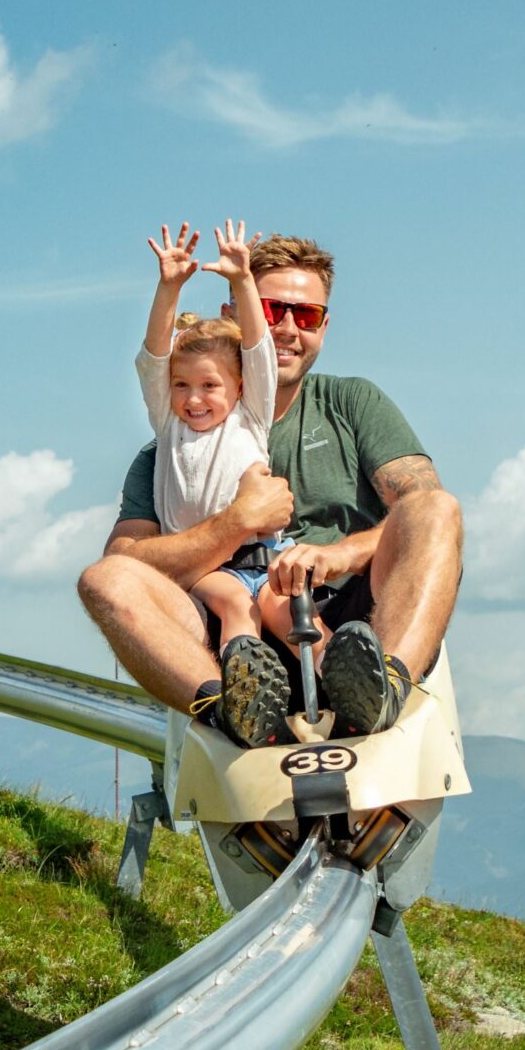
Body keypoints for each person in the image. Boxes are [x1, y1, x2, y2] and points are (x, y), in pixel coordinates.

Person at [79, 232, 463, 743]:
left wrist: (337, 555)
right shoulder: (165, 449)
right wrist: (235, 523)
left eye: (305, 316)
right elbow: (124, 562)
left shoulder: (352, 404)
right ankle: (229, 708)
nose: (286, 329)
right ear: (236, 313)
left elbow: (422, 515)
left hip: (353, 622)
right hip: (219, 635)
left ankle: (382, 687)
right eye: (270, 309)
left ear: (324, 327)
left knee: (437, 507)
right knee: (103, 579)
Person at [134, 219, 301, 747]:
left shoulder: (250, 419)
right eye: (182, 386)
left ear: (239, 386)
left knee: (293, 613)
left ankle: (339, 688)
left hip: (266, 554)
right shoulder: (169, 425)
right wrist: (169, 287)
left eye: (210, 385)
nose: (194, 398)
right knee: (235, 604)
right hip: (205, 565)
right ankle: (248, 704)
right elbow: (154, 355)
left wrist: (243, 280)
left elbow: (258, 349)